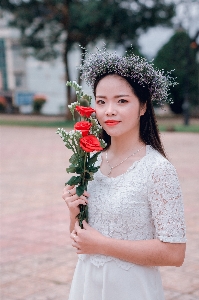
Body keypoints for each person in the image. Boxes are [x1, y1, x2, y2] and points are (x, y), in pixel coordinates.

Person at [62, 48, 186, 300]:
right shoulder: (90, 161)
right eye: (101, 101)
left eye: (122, 100)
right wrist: (74, 213)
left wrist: (103, 245)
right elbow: (81, 240)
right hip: (87, 284)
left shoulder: (158, 170)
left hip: (131, 288)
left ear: (142, 107)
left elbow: (175, 253)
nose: (109, 110)